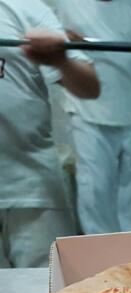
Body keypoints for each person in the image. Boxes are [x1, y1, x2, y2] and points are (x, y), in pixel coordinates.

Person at [0, 0, 100, 268]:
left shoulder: (25, 9)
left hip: (31, 188)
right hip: (32, 186)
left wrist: (62, 60)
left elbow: (90, 86)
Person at [56, 0, 131, 234]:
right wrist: (70, 41)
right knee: (95, 196)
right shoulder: (68, 5)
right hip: (87, 114)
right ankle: (101, 260)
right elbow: (55, 46)